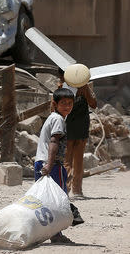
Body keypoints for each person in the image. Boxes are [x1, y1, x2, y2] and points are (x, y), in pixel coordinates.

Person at [34, 88, 75, 243]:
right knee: (57, 199)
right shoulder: (58, 119)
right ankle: (56, 234)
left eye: (70, 103)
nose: (67, 106)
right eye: (63, 103)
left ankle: (46, 232)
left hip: (41, 162)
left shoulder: (52, 117)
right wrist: (50, 165)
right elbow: (54, 141)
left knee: (44, 199)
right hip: (51, 164)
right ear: (55, 104)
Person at [56, 68, 97, 197]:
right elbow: (93, 104)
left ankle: (67, 190)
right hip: (77, 126)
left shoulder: (62, 88)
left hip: (72, 127)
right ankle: (75, 191)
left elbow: (55, 109)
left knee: (68, 159)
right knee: (76, 160)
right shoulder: (82, 87)